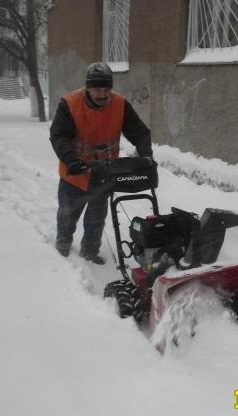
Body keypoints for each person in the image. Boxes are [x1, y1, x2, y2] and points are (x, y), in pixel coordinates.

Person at [50, 62, 153, 264]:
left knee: (96, 218)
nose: (103, 95)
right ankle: (63, 244)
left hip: (104, 173)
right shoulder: (70, 105)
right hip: (75, 173)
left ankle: (89, 251)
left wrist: (146, 156)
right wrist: (72, 159)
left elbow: (139, 132)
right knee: (68, 214)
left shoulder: (120, 104)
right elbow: (59, 136)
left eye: (107, 90)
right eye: (98, 90)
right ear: (88, 87)